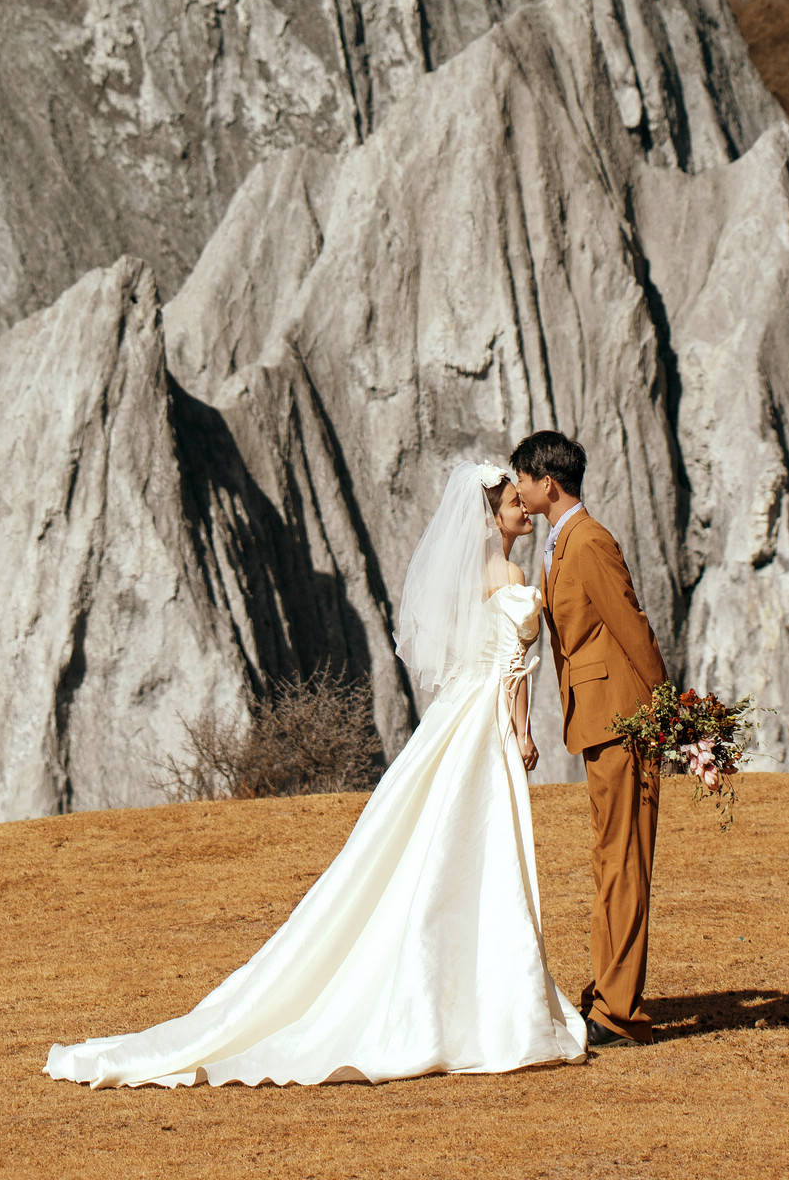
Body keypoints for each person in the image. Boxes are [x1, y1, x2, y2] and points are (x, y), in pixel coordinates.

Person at [44, 464, 587, 1087]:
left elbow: (476, 653)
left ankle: (458, 1002)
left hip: (456, 714)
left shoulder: (472, 575)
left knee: (435, 846)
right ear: (493, 515)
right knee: (477, 848)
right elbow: (513, 665)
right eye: (515, 502)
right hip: (483, 719)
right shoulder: (512, 574)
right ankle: (486, 1010)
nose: (525, 509)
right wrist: (521, 731)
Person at [511, 429, 668, 1047]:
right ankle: (609, 991)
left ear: (547, 483)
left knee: (623, 857)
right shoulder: (561, 541)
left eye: (522, 479)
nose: (519, 490)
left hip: (623, 717)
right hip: (598, 721)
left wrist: (668, 711)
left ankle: (619, 1010)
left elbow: (632, 626)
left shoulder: (590, 540)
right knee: (609, 855)